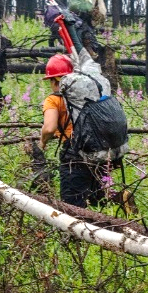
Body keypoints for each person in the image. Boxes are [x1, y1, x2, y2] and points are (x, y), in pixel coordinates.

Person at [39, 53, 104, 208]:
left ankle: (76, 231)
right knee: (99, 202)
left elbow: (49, 128)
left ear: (54, 80)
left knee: (72, 205)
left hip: (74, 155)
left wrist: (42, 142)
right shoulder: (89, 94)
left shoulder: (53, 100)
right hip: (98, 152)